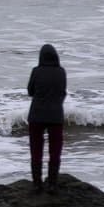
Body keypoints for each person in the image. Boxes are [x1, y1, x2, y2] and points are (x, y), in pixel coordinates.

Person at [27, 43, 67, 193]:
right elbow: (62, 92)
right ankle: (52, 184)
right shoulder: (61, 72)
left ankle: (37, 184)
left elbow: (30, 91)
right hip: (56, 116)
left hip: (36, 115)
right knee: (55, 152)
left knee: (36, 151)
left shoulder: (36, 71)